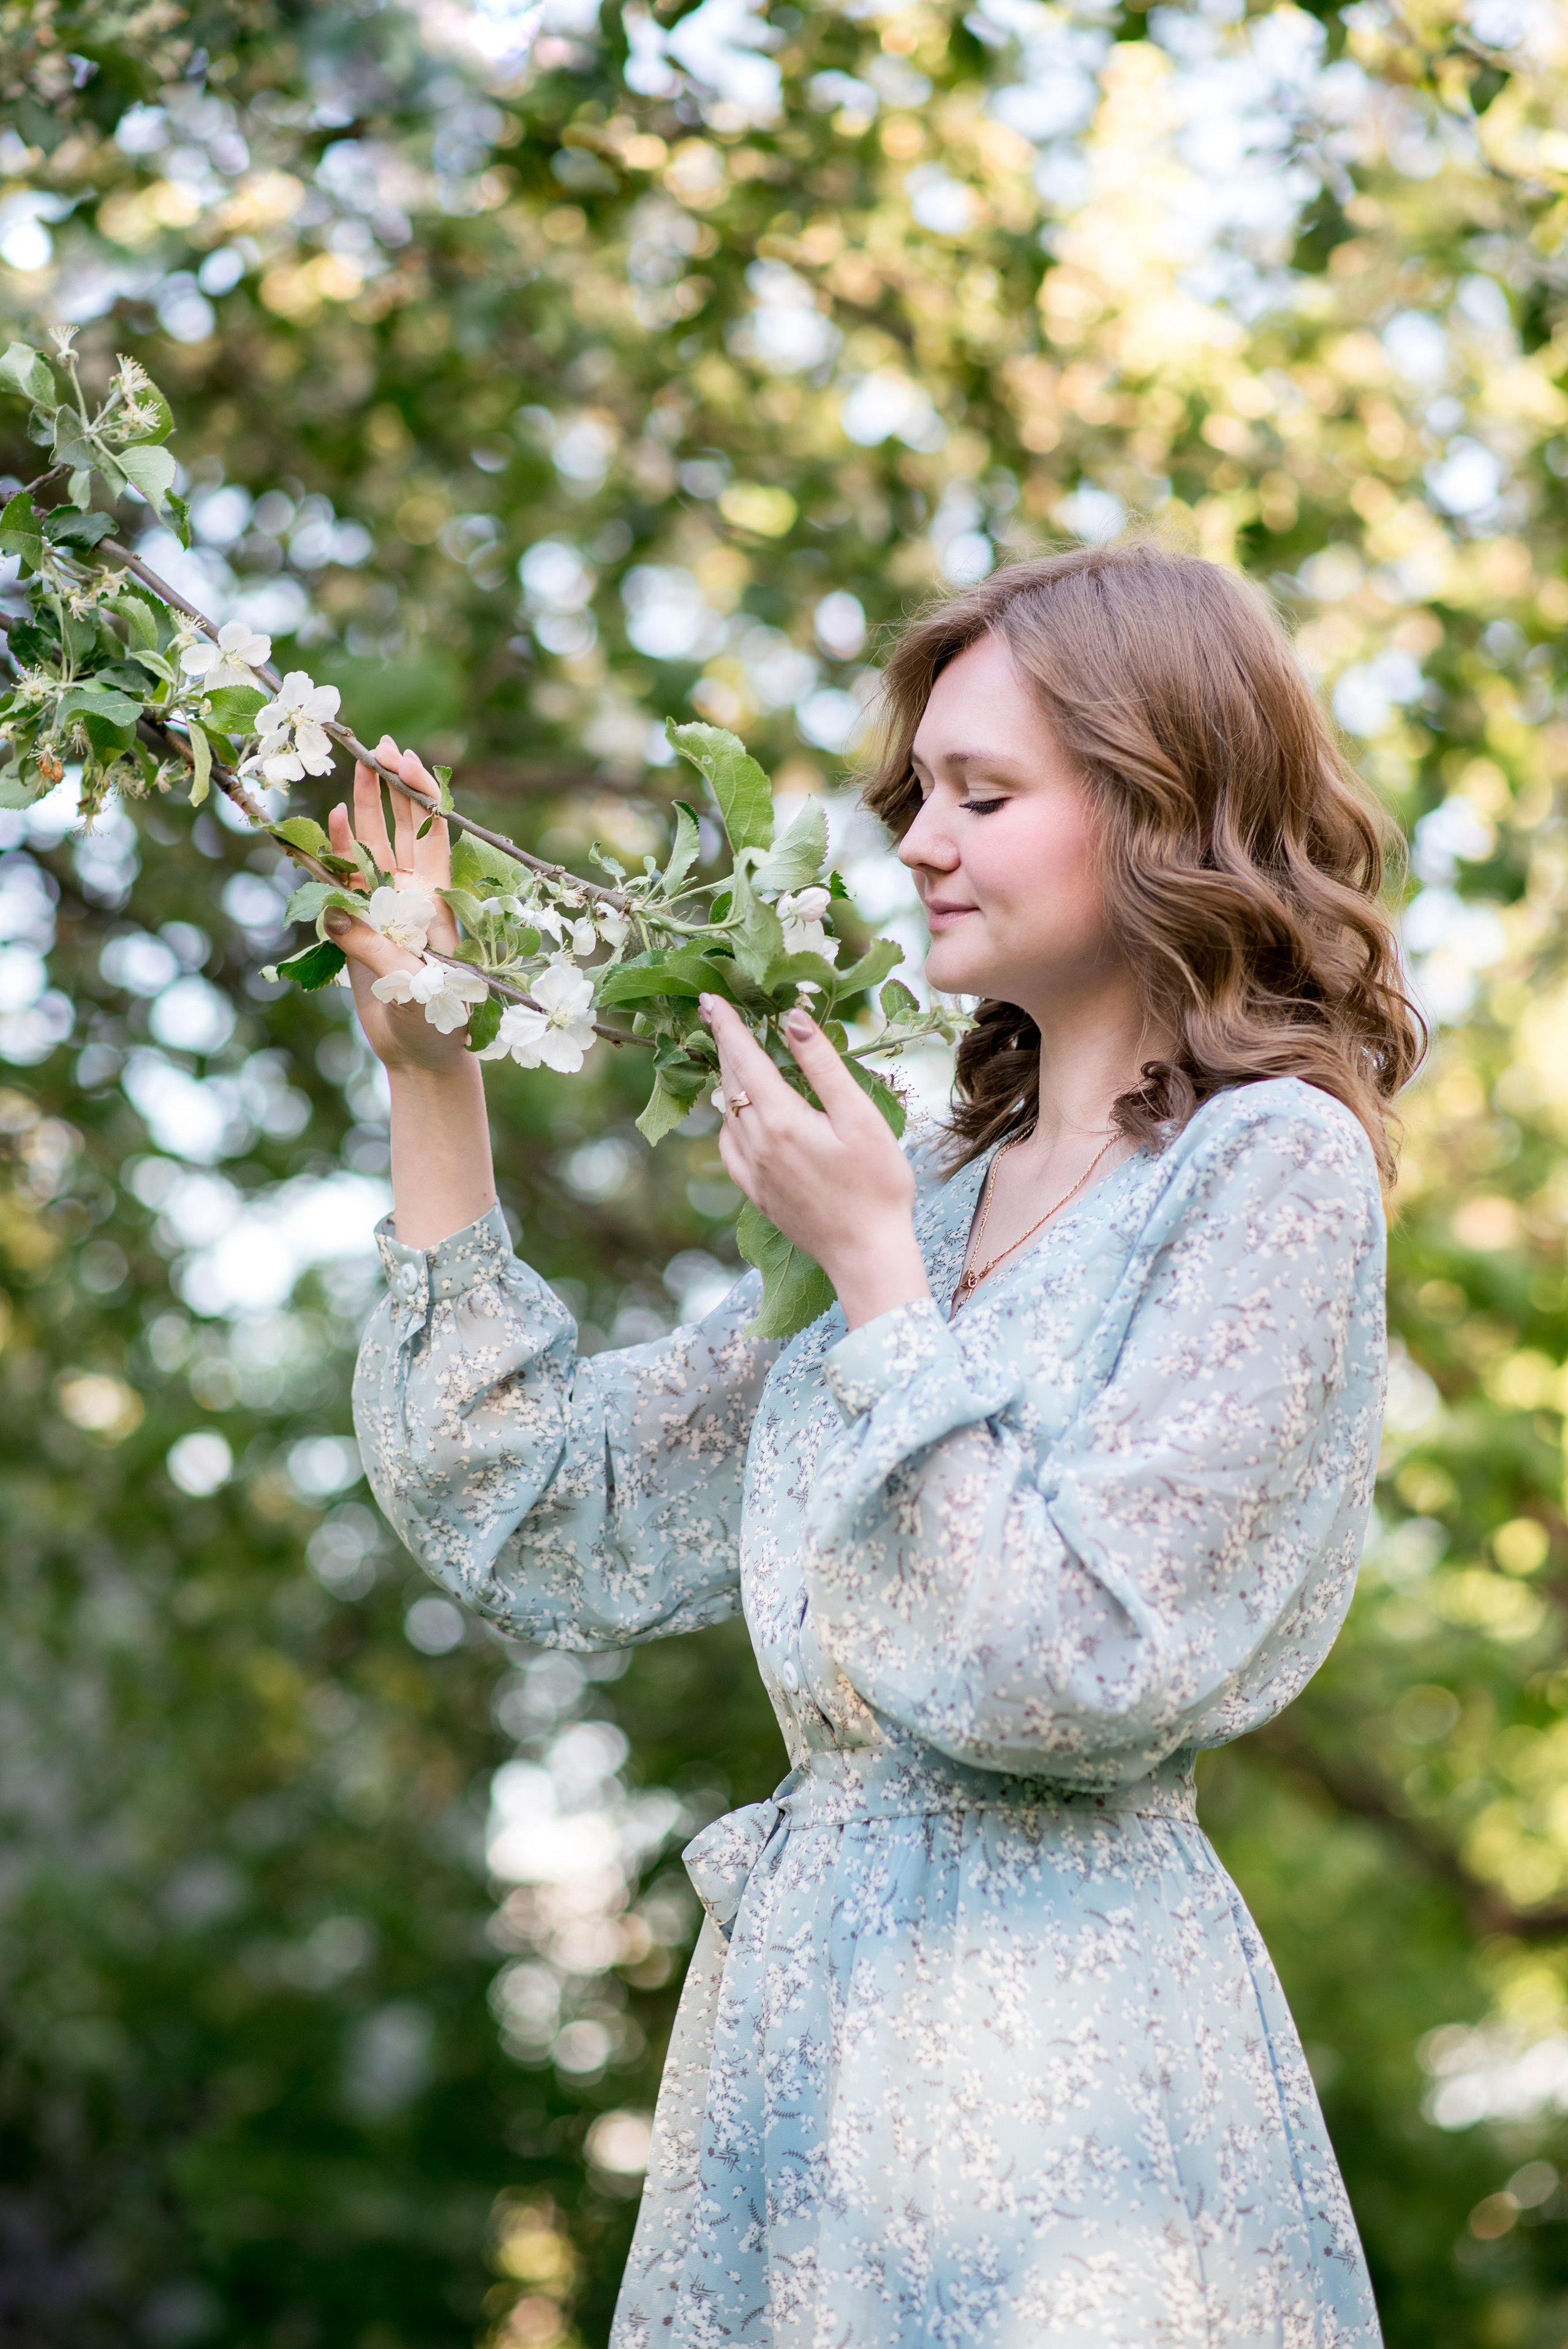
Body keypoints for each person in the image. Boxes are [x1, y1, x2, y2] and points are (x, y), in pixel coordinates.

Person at [326, 542, 1423, 2347]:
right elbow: (543, 1508)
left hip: (1071, 2090)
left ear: (1161, 808)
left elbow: (1080, 1661)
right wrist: (428, 1065)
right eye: (920, 793)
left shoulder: (1268, 1172)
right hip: (803, 2071)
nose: (918, 839)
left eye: (984, 793)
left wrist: (878, 1286)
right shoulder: (920, 1190)